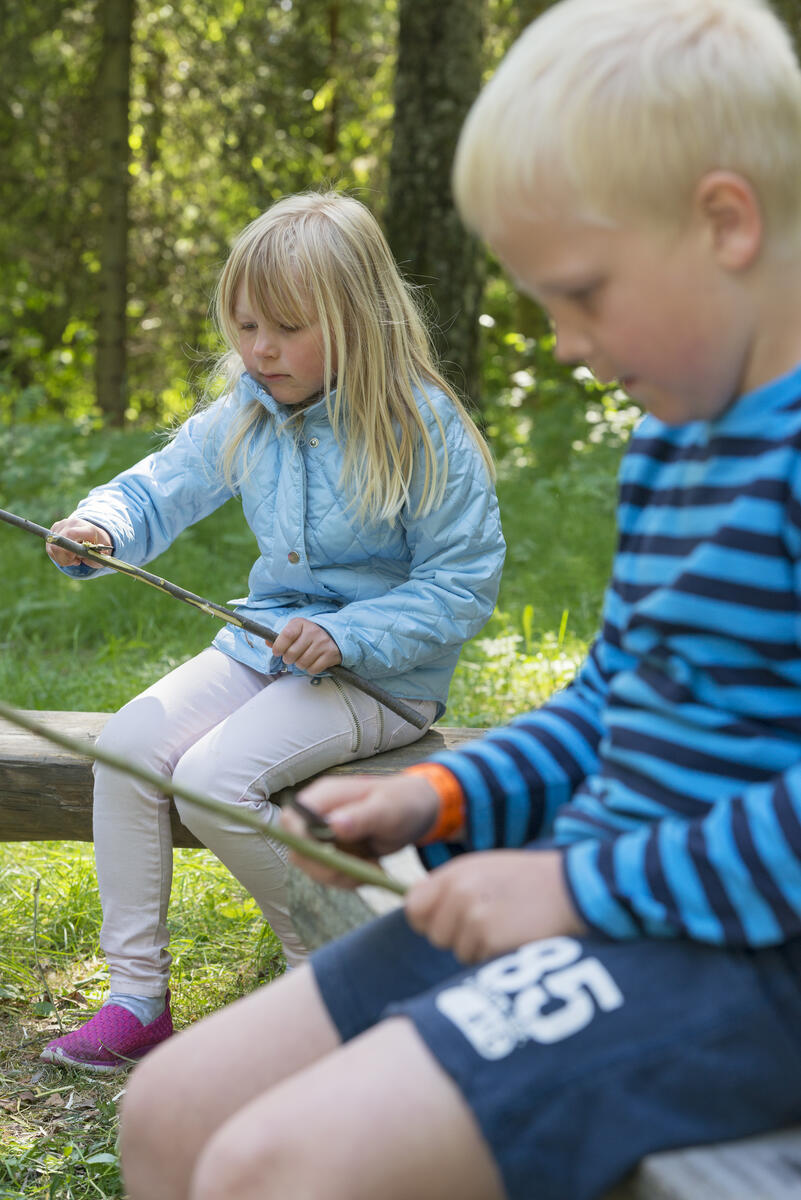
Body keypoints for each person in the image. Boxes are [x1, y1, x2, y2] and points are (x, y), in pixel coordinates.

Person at [119, 1, 801, 1197]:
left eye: (583, 292)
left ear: (725, 223)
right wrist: (443, 793)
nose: (569, 345)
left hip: (737, 960)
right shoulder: (675, 447)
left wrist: (569, 886)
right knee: (171, 1113)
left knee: (271, 1169)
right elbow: (614, 708)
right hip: (612, 897)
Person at [39, 191, 504, 1073]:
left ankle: (331, 980)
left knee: (217, 776)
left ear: (357, 320)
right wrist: (99, 527)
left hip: (384, 678)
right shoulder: (248, 410)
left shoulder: (420, 428)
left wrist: (353, 636)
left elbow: (461, 583)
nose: (259, 349)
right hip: (266, 645)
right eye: (246, 324)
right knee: (132, 744)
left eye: (287, 327)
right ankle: (137, 998)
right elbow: (154, 489)